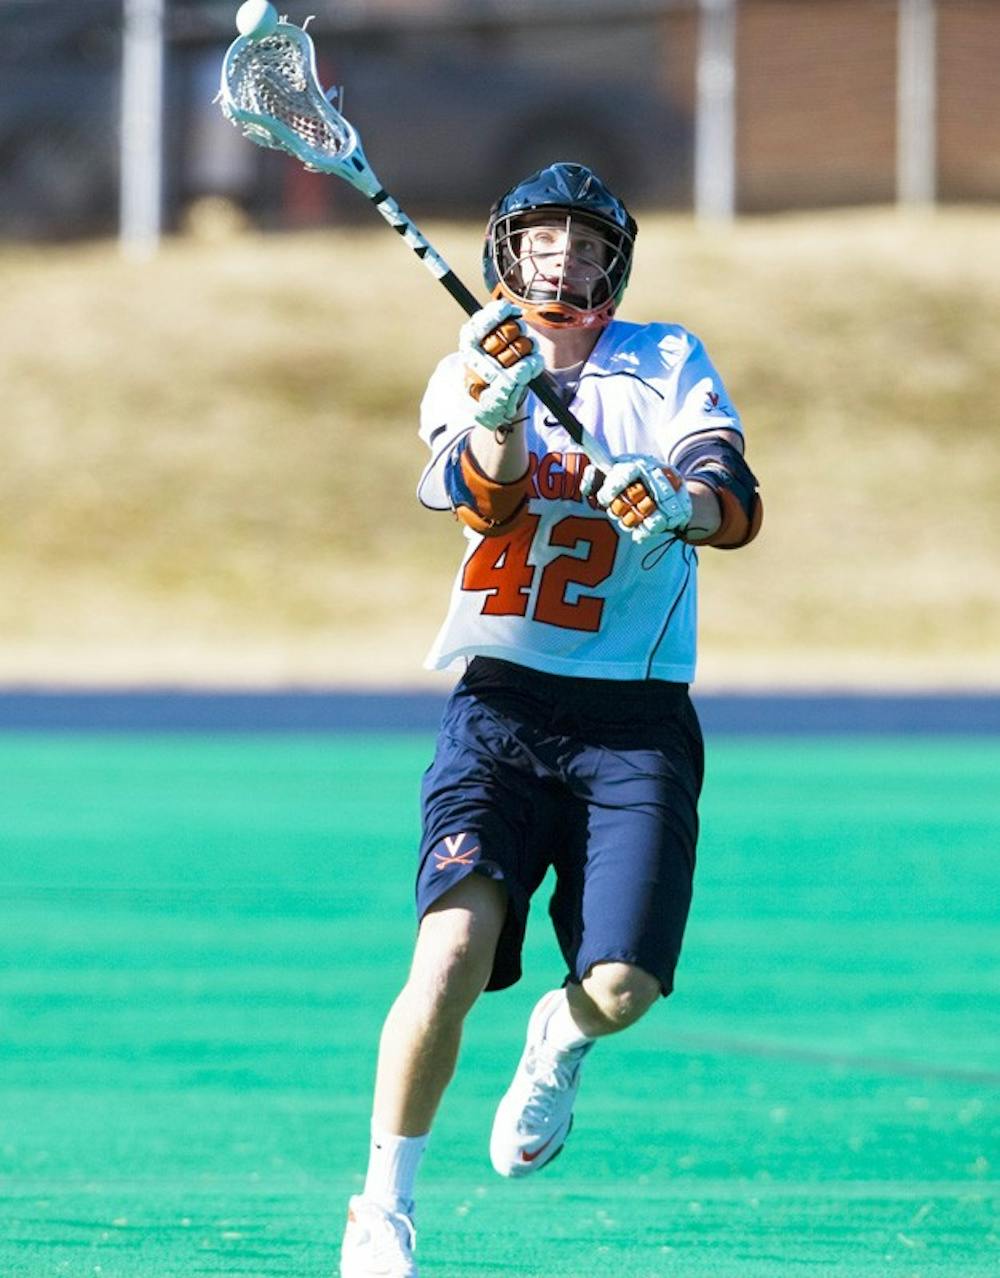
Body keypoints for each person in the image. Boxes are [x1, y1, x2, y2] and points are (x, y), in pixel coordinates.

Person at [339, 161, 763, 1278]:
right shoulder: (468, 364)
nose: (562, 260)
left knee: (621, 989)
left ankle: (558, 1037)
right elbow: (484, 500)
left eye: (583, 242)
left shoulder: (665, 358)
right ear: (505, 252)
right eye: (543, 240)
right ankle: (383, 1208)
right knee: (450, 954)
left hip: (634, 718)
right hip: (502, 704)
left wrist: (677, 500)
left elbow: (734, 496)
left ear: (613, 261)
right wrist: (497, 406)